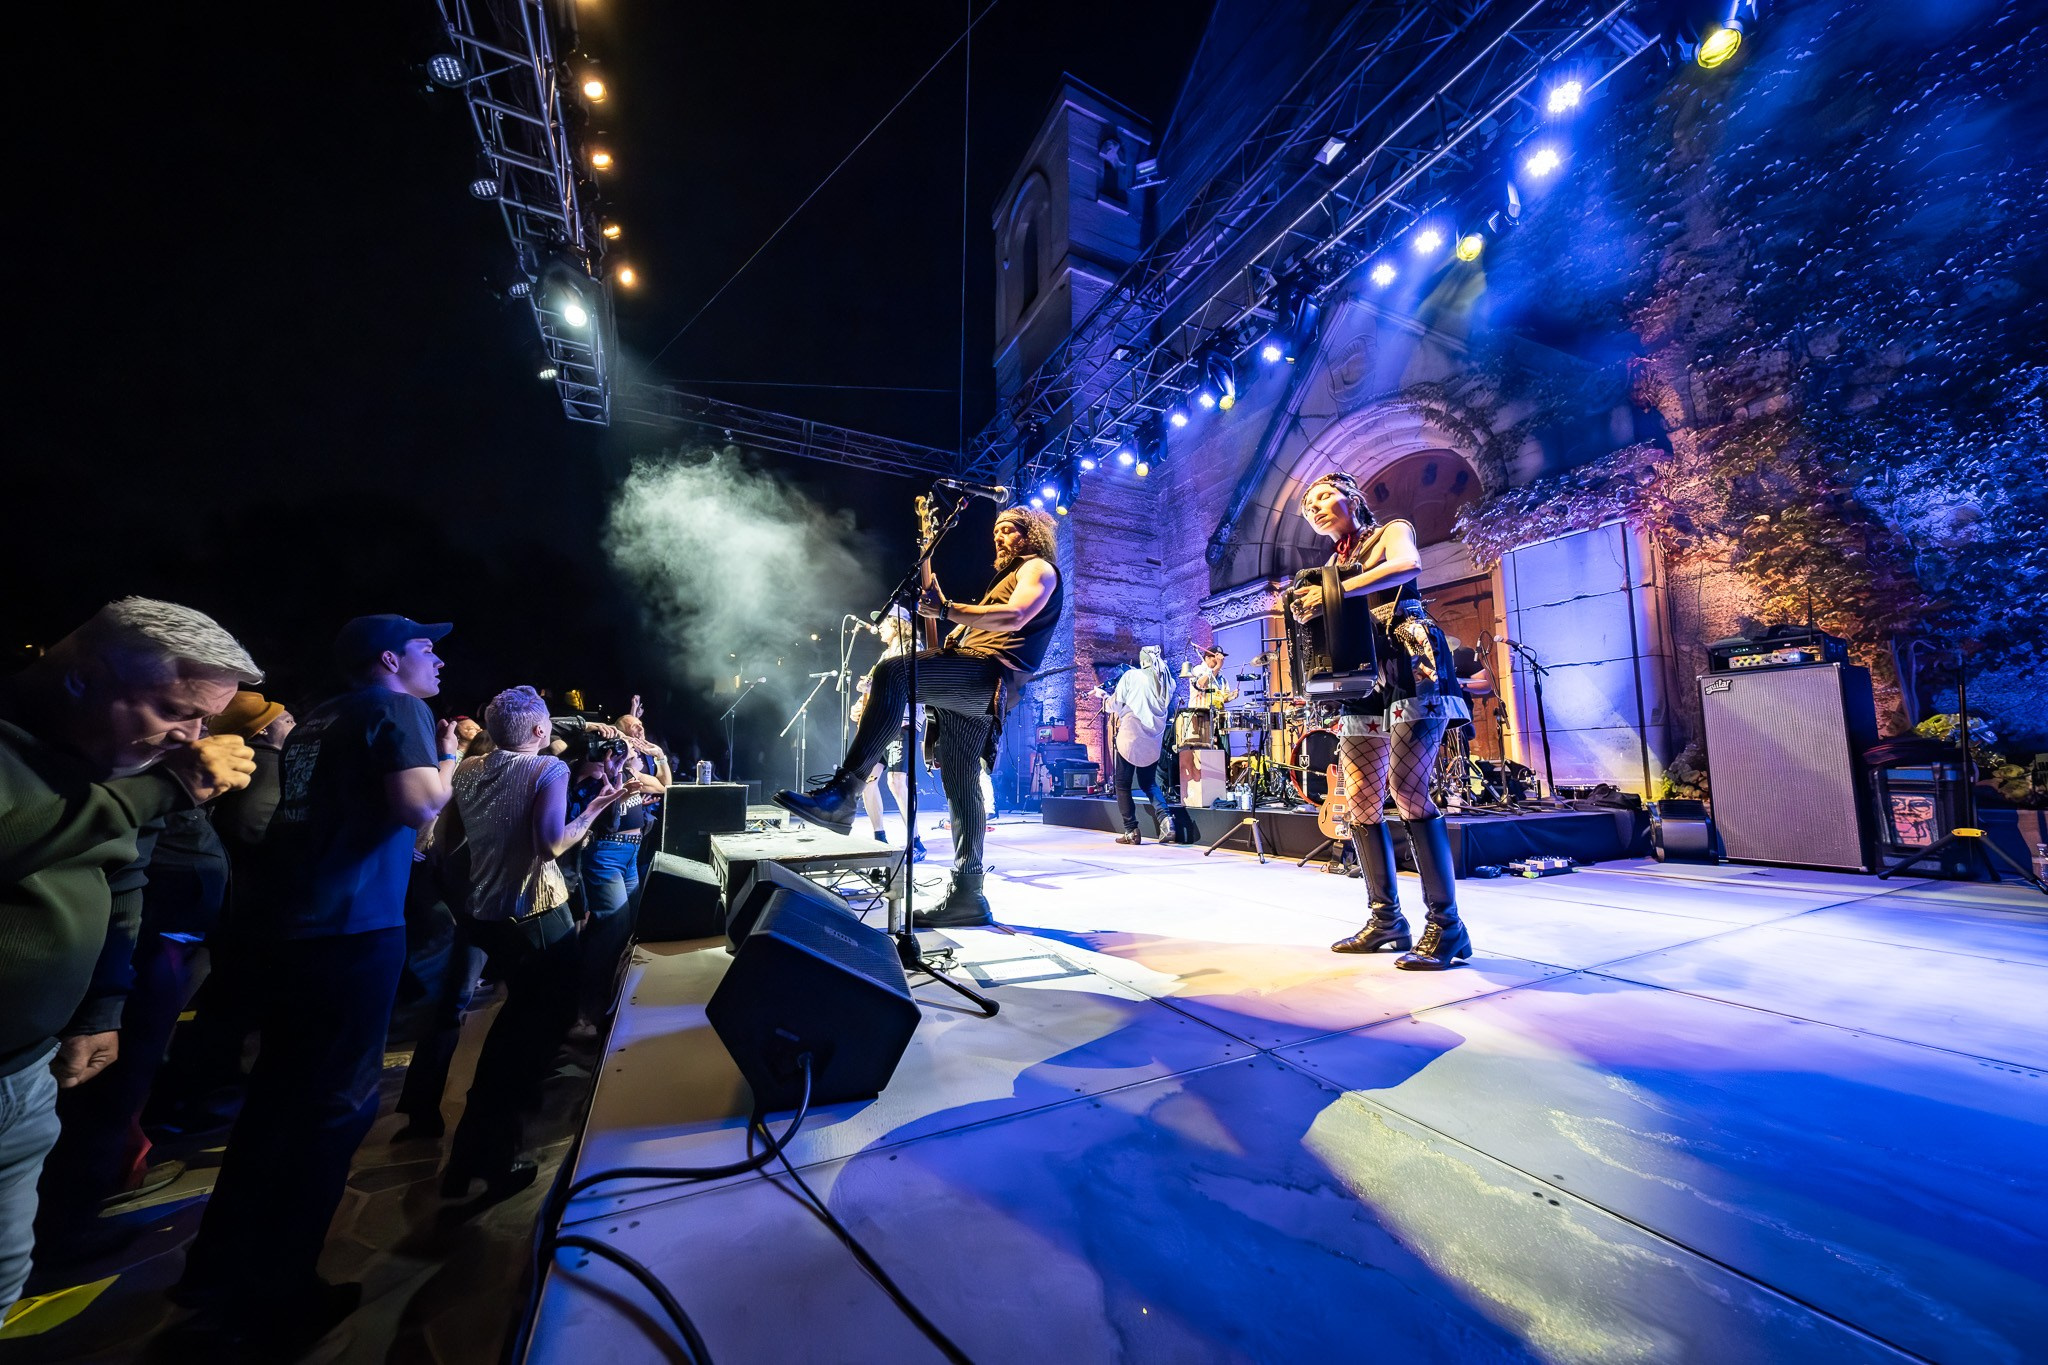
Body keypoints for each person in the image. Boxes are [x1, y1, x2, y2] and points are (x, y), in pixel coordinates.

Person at [176, 615, 462, 1350]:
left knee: (274, 1100)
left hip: (293, 929)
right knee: (333, 1110)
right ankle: (280, 1292)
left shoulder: (320, 718)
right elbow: (421, 805)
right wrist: (451, 758)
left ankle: (215, 1270)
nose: (439, 660)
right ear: (391, 658)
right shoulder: (399, 707)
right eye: (429, 648)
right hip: (353, 927)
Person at [0, 597, 259, 1312]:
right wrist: (163, 788)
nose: (192, 738)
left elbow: (122, 873)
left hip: (26, 1067)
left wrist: (101, 1003)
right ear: (84, 678)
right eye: (174, 710)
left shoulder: (116, 754)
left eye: (205, 721)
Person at [776, 506, 1063, 926]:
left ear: (1030, 534)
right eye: (996, 531)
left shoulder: (1039, 568)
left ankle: (845, 793)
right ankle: (969, 894)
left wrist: (948, 609)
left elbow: (1016, 615)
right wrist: (932, 577)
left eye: (1008, 531)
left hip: (988, 676)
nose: (999, 538)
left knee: (893, 671)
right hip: (973, 681)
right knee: (962, 784)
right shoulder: (999, 583)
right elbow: (938, 635)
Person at [437, 687, 625, 1198]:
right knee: (532, 1036)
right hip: (537, 914)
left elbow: (450, 840)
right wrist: (597, 807)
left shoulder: (468, 770)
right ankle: (494, 1158)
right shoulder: (549, 770)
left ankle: (469, 1156)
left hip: (489, 915)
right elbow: (552, 843)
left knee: (514, 1029)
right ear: (541, 731)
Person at [1289, 471, 1473, 969]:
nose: (1316, 508)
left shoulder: (1390, 530)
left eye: (1324, 496)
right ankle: (1386, 920)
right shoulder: (1333, 563)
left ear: (1350, 497)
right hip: (1362, 673)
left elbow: (1406, 565)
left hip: (1411, 662)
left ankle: (1447, 926)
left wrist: (1337, 591)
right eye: (1309, 507)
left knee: (1409, 791)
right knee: (1362, 801)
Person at [568, 707, 668, 1040]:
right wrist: (612, 769)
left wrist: (645, 762)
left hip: (631, 855)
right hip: (606, 854)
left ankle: (608, 1003)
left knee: (623, 929)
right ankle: (583, 1013)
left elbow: (665, 789)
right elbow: (593, 797)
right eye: (624, 741)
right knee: (609, 928)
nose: (630, 746)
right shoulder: (596, 769)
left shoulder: (633, 775)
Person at [851, 607, 928, 858]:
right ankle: (879, 837)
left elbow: (908, 683)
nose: (879, 628)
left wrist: (874, 686)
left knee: (896, 782)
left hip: (901, 721)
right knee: (866, 780)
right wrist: (861, 703)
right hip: (881, 723)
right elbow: (874, 689)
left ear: (897, 624)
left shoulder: (912, 648)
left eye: (884, 623)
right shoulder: (885, 655)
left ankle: (915, 841)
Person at [1096, 647, 1173, 845]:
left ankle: (1131, 831)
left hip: (1131, 737)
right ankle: (1167, 820)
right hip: (1153, 740)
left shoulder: (1131, 676)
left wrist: (1104, 697)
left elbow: (1115, 704)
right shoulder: (1167, 681)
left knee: (1122, 785)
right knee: (1149, 783)